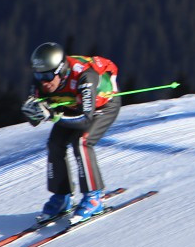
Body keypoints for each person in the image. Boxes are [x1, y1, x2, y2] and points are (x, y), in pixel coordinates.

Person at [20, 42, 121, 221]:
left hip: (102, 106)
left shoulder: (85, 77)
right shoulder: (42, 79)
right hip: (72, 106)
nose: (44, 82)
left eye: (49, 75)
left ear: (62, 70)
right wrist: (33, 112)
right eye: (38, 75)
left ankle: (94, 196)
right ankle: (62, 196)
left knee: (82, 142)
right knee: (55, 144)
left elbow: (85, 120)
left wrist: (53, 116)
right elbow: (34, 119)